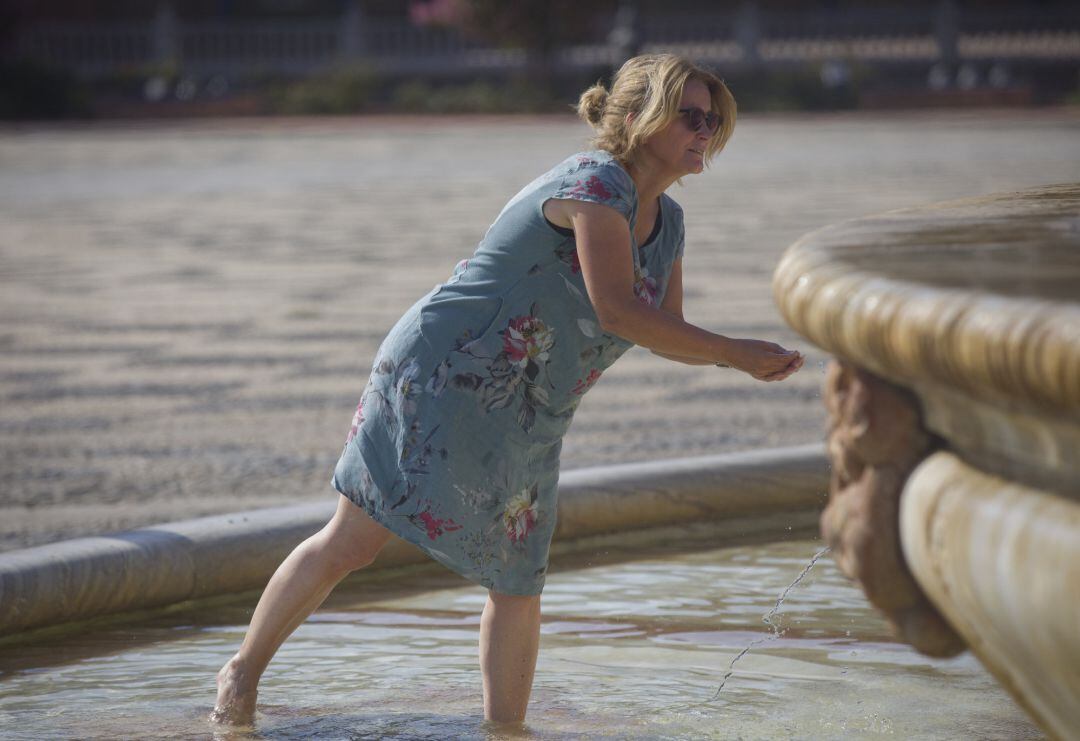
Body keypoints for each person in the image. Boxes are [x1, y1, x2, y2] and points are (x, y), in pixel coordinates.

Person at [211, 52, 804, 727]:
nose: (705, 131)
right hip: (440, 373)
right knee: (355, 540)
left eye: (715, 119)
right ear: (640, 117)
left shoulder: (669, 225)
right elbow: (616, 311)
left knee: (519, 577)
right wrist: (734, 352)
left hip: (528, 412)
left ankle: (506, 730)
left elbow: (661, 332)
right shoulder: (596, 183)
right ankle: (241, 673)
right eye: (691, 115)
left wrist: (745, 359)